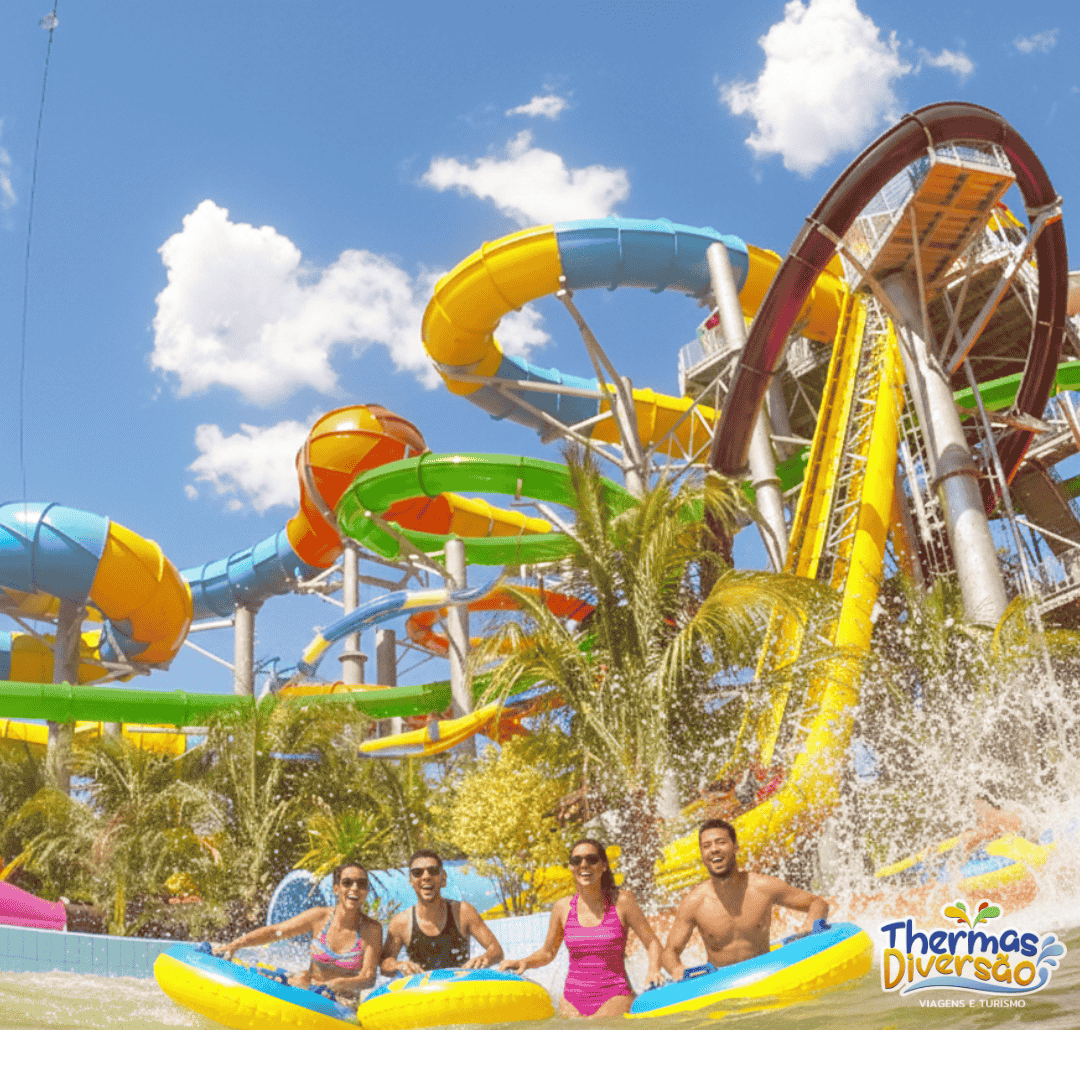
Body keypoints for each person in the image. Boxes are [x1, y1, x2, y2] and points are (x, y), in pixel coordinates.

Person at [499, 838, 664, 1019]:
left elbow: (652, 943)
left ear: (603, 866)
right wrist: (524, 962)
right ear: (571, 867)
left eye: (591, 859)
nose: (583, 865)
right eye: (576, 860)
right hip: (571, 1000)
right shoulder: (562, 908)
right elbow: (548, 953)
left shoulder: (622, 901)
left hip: (614, 995)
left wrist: (654, 970)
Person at [662, 819, 829, 976]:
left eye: (721, 842)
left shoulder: (763, 887)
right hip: (722, 985)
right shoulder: (693, 903)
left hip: (767, 974)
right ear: (702, 854)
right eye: (707, 845)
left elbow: (817, 903)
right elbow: (670, 951)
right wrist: (677, 970)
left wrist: (807, 935)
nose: (714, 849)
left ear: (735, 847)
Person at [215, 861, 381, 998]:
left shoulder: (371, 930)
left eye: (362, 884)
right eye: (347, 882)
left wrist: (335, 984)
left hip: (340, 1001)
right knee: (299, 978)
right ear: (336, 888)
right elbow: (276, 931)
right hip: (307, 988)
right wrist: (234, 945)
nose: (354, 888)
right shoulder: (319, 917)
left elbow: (368, 978)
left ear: (366, 891)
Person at [379, 850, 504, 975]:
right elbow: (385, 963)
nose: (426, 877)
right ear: (411, 881)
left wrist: (484, 958)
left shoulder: (462, 912)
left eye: (433, 871)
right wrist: (398, 965)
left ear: (443, 877)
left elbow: (496, 950)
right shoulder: (401, 922)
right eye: (418, 872)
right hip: (423, 992)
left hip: (460, 989)